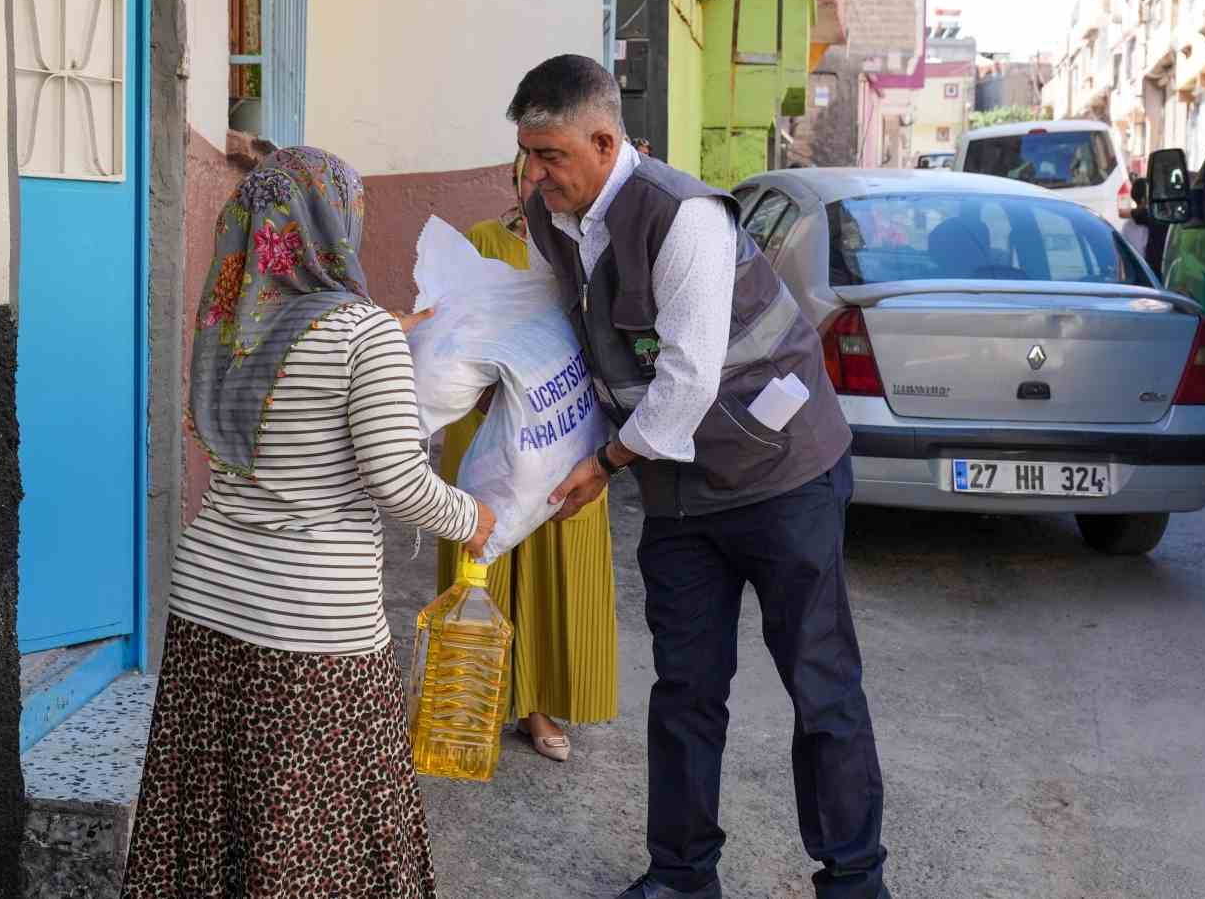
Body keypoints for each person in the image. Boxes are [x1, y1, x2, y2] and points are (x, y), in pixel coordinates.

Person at [507, 55, 890, 899]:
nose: (535, 175)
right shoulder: (551, 217)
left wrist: (602, 466)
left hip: (784, 475)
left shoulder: (684, 218)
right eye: (527, 156)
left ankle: (854, 880)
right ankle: (681, 877)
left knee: (821, 684)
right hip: (681, 494)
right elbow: (541, 333)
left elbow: (684, 386)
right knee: (684, 689)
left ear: (605, 141)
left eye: (551, 156)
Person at [121, 147, 496, 899]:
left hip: (207, 606)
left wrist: (377, 333)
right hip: (311, 629)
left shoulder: (231, 329)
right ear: (335, 223)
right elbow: (397, 481)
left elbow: (293, 385)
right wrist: (472, 516)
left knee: (215, 819)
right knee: (310, 833)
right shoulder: (364, 337)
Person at [434, 153, 618, 764]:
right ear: (517, 179)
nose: (538, 183)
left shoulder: (588, 248)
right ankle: (471, 702)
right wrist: (488, 392)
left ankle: (539, 702)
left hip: (562, 430)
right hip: (488, 424)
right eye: (528, 172)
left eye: (550, 171)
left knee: (556, 549)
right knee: (482, 553)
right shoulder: (483, 242)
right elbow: (450, 332)